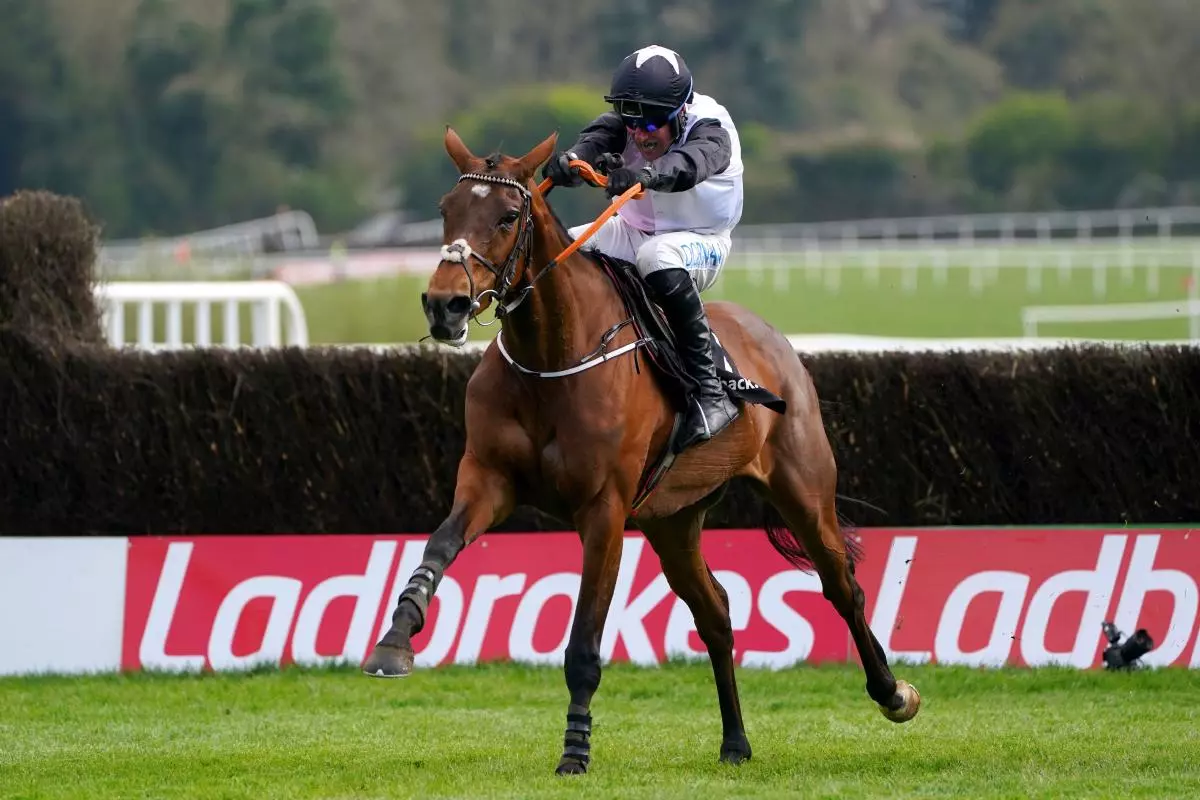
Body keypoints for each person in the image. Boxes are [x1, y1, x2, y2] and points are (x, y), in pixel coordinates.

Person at [541, 44, 744, 453]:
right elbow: (599, 137)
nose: (640, 133)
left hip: (700, 242)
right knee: (558, 254)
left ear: (681, 111)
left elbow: (690, 163)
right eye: (632, 122)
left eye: (652, 123)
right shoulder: (634, 121)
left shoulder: (711, 127)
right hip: (632, 231)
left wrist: (646, 173)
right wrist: (572, 161)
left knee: (657, 257)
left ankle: (712, 393)